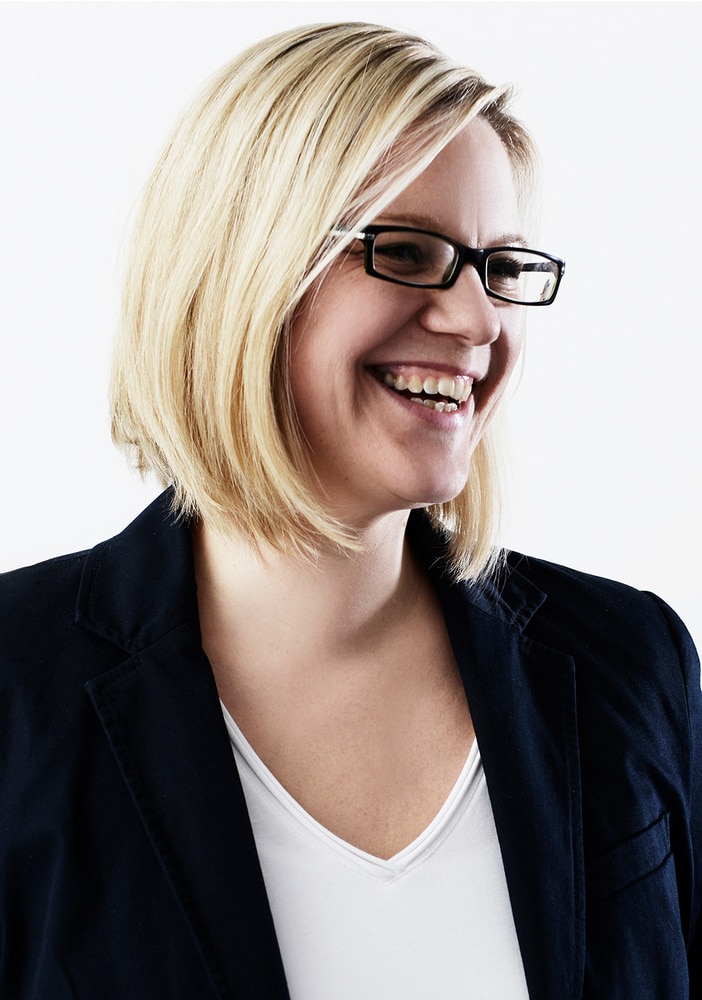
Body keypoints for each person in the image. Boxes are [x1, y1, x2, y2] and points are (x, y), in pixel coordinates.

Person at [1, 21, 699, 1000]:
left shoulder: (629, 662)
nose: (478, 322)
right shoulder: (17, 687)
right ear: (239, 270)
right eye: (407, 251)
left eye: (501, 268)